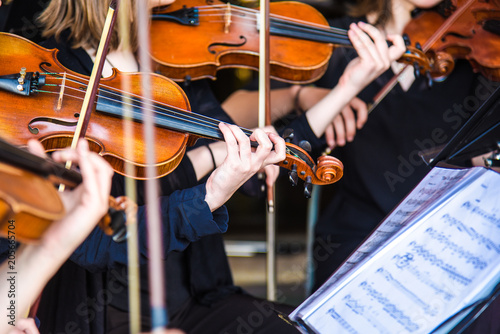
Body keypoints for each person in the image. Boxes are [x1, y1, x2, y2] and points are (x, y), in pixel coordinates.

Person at [29, 0, 405, 333]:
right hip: (110, 315)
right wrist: (212, 167)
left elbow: (253, 155)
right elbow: (98, 237)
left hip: (197, 297)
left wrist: (345, 88)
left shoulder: (168, 59)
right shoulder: (53, 76)